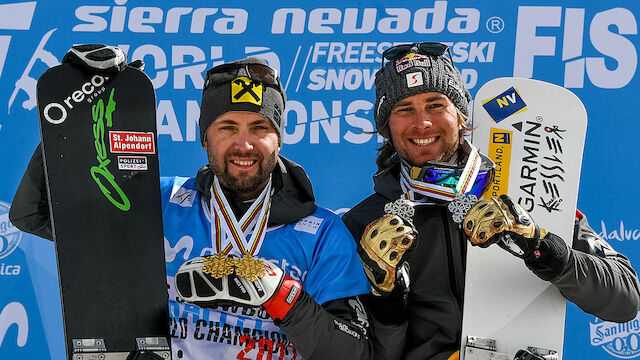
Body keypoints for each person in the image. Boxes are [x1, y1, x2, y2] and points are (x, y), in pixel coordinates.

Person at [10, 46, 372, 360]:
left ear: (278, 138)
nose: (243, 145)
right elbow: (34, 214)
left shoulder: (322, 233)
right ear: (204, 136)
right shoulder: (159, 203)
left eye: (259, 128)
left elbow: (352, 354)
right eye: (227, 127)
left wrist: (282, 297)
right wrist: (74, 114)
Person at [341, 42, 640, 360]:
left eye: (435, 104)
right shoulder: (363, 225)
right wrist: (387, 300)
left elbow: (626, 300)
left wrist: (541, 245)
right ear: (387, 126)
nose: (422, 122)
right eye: (404, 110)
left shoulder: (527, 189)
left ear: (459, 114)